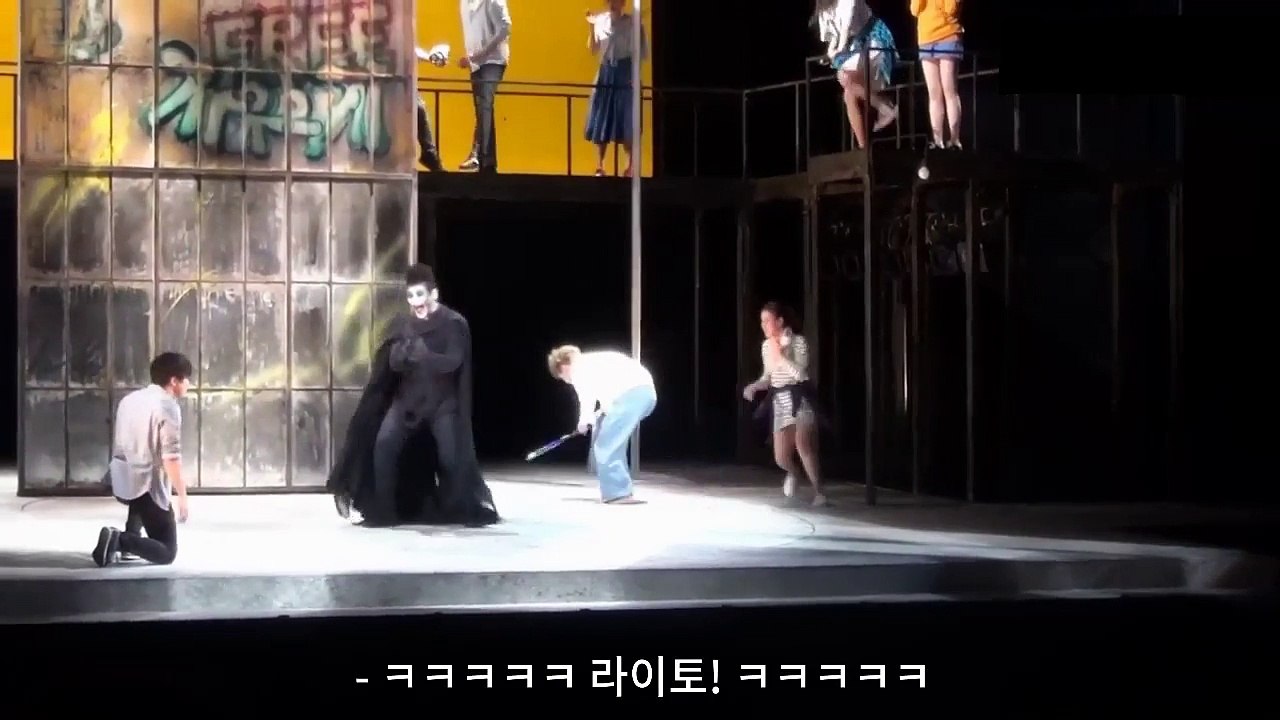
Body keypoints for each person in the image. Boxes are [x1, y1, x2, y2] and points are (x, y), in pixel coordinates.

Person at [328, 263, 499, 527]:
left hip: (442, 405)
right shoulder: (403, 324)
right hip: (407, 403)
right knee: (384, 445)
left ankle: (456, 507)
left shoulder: (453, 324)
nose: (415, 301)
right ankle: (384, 511)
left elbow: (454, 361)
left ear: (433, 294)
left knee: (450, 457)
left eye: (420, 294)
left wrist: (425, 356)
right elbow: (391, 365)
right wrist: (400, 356)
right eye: (410, 295)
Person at [91, 352, 193, 567]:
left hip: (123, 477)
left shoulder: (130, 400)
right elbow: (171, 458)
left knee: (139, 482)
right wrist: (182, 497)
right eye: (186, 379)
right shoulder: (167, 406)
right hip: (148, 486)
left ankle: (131, 533)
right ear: (174, 381)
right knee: (166, 552)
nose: (188, 385)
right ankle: (120, 540)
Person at [742, 302, 827, 506]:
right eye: (762, 321)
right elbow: (768, 377)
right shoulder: (766, 346)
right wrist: (754, 386)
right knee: (781, 457)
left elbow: (801, 374)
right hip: (780, 402)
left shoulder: (798, 342)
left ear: (779, 321)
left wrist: (782, 355)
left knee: (804, 445)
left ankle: (819, 492)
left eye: (767, 320)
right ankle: (794, 473)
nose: (763, 325)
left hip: (799, 398)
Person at [547, 345, 655, 504]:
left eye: (562, 377)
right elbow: (610, 392)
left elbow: (587, 398)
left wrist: (583, 422)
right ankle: (613, 485)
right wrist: (597, 415)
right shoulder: (595, 360)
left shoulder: (578, 369)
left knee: (606, 444)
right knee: (605, 431)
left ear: (562, 366)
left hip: (632, 395)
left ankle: (618, 493)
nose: (566, 381)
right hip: (645, 394)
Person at [814, 0, 898, 151]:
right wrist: (830, 53)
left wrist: (840, 49)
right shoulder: (824, 9)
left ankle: (884, 106)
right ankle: (863, 148)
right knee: (848, 94)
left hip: (872, 40)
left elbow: (846, 27)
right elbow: (833, 37)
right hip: (854, 48)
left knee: (844, 76)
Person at [585, 0, 648, 177]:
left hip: (625, 71)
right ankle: (600, 165)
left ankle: (630, 166)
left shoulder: (632, 23)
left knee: (627, 118)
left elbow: (640, 52)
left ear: (623, 3)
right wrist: (591, 27)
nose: (613, 3)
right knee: (602, 116)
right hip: (606, 71)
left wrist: (635, 76)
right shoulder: (600, 21)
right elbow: (593, 49)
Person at [457, 0, 512, 173]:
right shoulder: (464, 3)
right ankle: (486, 160)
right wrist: (472, 58)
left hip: (493, 60)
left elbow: (505, 28)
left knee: (485, 104)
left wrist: (479, 54)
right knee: (481, 108)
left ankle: (480, 156)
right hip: (475, 63)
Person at [909, 0, 964, 150]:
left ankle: (954, 139)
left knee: (949, 90)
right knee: (934, 93)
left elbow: (951, 8)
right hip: (926, 38)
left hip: (947, 35)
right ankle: (938, 140)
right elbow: (914, 10)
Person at [415, 44, 452, 171]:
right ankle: (429, 152)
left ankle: (429, 152)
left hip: (404, 89)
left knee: (419, 108)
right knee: (419, 108)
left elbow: (417, 53)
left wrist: (435, 57)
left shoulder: (405, 46)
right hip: (387, 88)